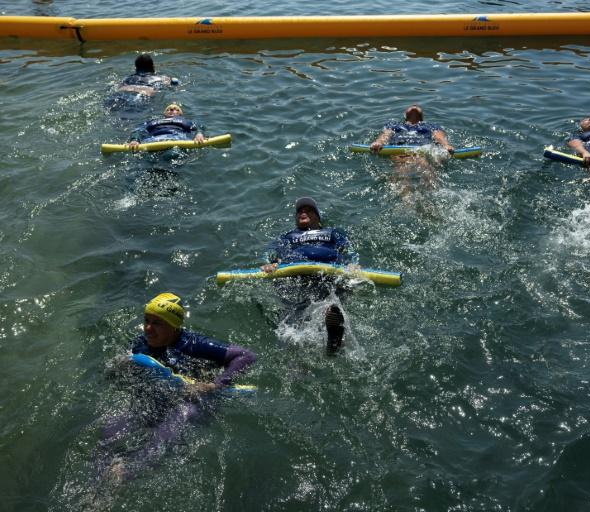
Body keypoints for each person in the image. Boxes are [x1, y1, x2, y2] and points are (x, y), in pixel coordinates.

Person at [99, 293, 255, 482]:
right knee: (109, 430)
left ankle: (124, 475)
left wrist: (214, 384)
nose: (147, 328)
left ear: (174, 326)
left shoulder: (194, 344)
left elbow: (246, 356)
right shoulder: (140, 344)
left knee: (170, 430)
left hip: (192, 400)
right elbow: (113, 374)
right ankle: (97, 484)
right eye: (146, 320)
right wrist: (118, 367)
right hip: (158, 397)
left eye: (157, 323)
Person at [260, 197, 358, 354]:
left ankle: (335, 337)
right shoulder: (288, 236)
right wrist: (270, 263)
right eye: (299, 211)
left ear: (318, 217)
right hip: (297, 275)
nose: (303, 212)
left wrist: (352, 263)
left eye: (308, 210)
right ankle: (328, 344)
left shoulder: (332, 232)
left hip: (330, 272)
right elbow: (272, 253)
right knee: (298, 314)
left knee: (334, 306)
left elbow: (349, 250)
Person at [369, 104, 455, 197]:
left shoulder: (429, 125)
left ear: (422, 117)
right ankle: (407, 201)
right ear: (405, 115)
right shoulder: (394, 125)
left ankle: (434, 197)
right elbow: (385, 135)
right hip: (399, 150)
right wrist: (379, 143)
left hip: (421, 150)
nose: (415, 106)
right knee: (401, 169)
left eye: (417, 107)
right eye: (412, 106)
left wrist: (446, 145)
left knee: (424, 165)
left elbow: (438, 136)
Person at [105, 53, 179, 112]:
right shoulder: (162, 78)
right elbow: (174, 83)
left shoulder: (126, 79)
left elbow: (115, 85)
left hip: (122, 93)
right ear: (153, 67)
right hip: (144, 94)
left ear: (136, 68)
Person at [127, 103, 205, 149]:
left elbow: (198, 127)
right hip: (153, 141)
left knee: (173, 155)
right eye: (169, 109)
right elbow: (138, 130)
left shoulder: (186, 121)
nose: (172, 109)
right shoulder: (152, 121)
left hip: (177, 139)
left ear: (180, 114)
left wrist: (199, 134)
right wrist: (135, 140)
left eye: (176, 109)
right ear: (164, 114)